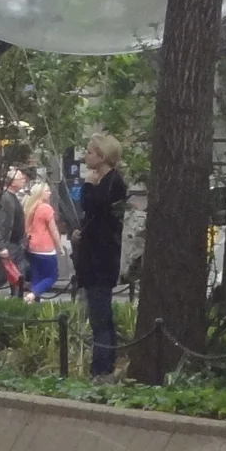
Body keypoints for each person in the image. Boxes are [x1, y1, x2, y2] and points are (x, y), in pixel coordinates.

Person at [71, 134, 128, 376]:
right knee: (100, 315)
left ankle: (101, 368)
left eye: (90, 152)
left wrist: (88, 185)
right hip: (93, 256)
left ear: (102, 156)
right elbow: (93, 217)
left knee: (100, 318)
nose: (86, 155)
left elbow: (93, 205)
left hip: (101, 260)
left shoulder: (111, 182)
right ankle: (104, 363)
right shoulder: (102, 181)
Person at [24, 182, 61, 298]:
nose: (50, 193)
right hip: (45, 247)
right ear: (40, 193)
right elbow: (53, 230)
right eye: (47, 191)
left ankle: (34, 304)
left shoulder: (31, 207)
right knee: (52, 276)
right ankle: (33, 294)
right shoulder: (46, 208)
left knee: (36, 276)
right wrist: (59, 246)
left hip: (32, 246)